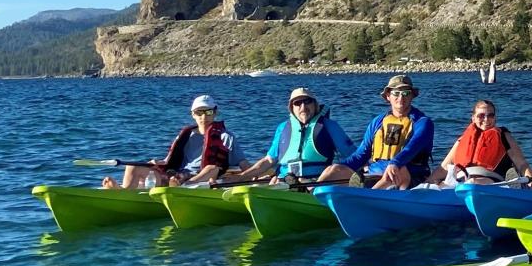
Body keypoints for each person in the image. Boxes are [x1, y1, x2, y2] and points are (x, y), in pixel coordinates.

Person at [101, 95, 246, 189]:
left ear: (215, 112)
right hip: (176, 175)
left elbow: (243, 164)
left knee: (212, 168)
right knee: (132, 167)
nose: (204, 117)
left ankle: (182, 188)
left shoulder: (227, 136)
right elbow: (169, 161)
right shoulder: (186, 135)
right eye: (199, 113)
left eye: (208, 112)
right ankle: (124, 192)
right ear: (193, 115)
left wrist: (259, 174)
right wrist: (157, 163)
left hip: (203, 177)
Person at [232, 88, 359, 183]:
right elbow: (268, 160)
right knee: (269, 183)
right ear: (291, 108)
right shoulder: (282, 128)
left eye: (307, 102)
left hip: (317, 182)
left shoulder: (329, 126)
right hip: (285, 181)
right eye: (297, 103)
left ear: (315, 105)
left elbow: (354, 156)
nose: (303, 107)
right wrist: (241, 177)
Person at [346, 74, 437, 189]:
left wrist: (395, 163)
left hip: (410, 176)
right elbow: (361, 155)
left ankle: (365, 200)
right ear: (388, 96)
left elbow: (411, 149)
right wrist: (341, 167)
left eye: (406, 93)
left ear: (412, 96)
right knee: (337, 170)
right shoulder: (378, 122)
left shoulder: (423, 123)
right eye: (396, 93)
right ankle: (318, 194)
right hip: (376, 174)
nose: (401, 98)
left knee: (399, 169)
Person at [437, 99, 532, 184]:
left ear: (495, 118)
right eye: (481, 116)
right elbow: (444, 168)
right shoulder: (462, 139)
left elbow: (521, 164)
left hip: (490, 181)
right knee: (438, 186)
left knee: (472, 182)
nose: (486, 119)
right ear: (473, 118)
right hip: (461, 181)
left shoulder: (504, 136)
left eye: (490, 115)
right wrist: (427, 183)